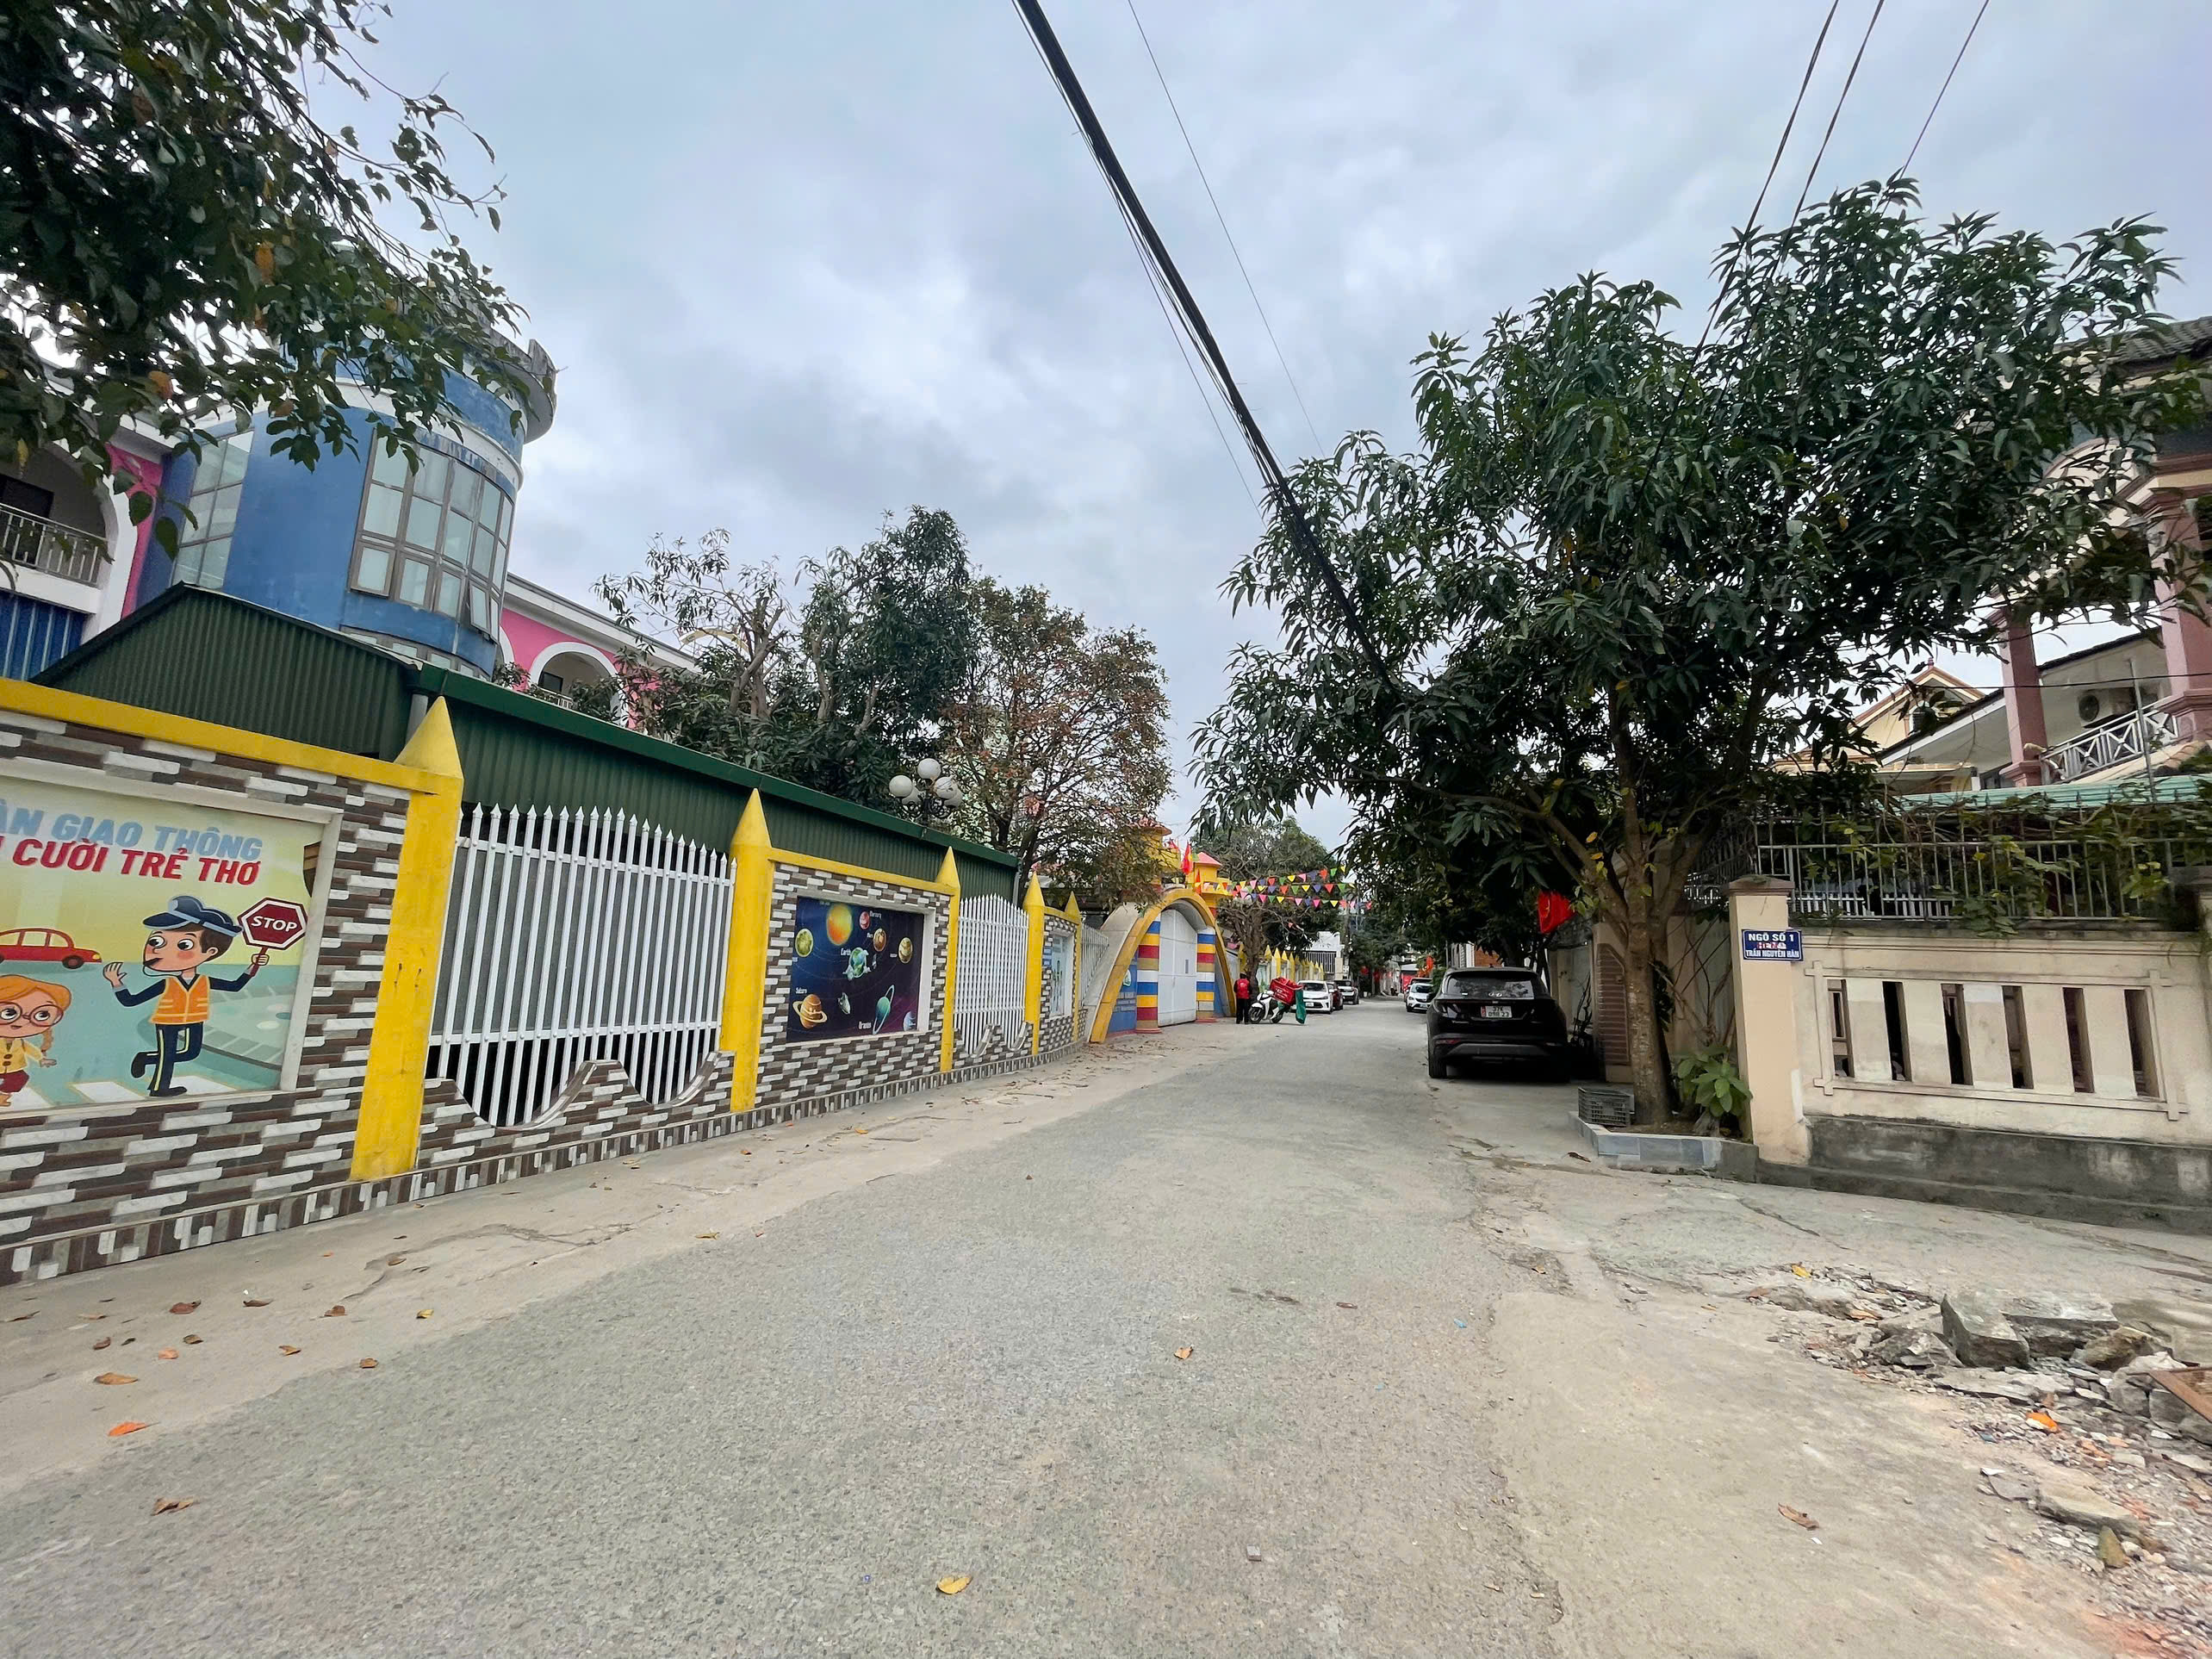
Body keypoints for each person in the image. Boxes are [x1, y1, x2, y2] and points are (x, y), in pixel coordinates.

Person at [103, 897, 267, 1097]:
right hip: (168, 1022)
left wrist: (253, 968)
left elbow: (234, 986)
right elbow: (131, 1001)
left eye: (184, 945)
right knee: (167, 1056)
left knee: (190, 1053)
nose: (158, 950)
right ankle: (159, 1088)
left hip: (195, 1019)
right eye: (155, 941)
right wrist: (116, 983)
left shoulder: (205, 980)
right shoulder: (167, 983)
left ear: (210, 952)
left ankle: (146, 1058)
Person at [0, 975, 68, 1110]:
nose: (22, 1022)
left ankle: (3, 1096)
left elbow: (30, 1049)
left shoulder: (19, 1041)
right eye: (9, 1012)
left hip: (13, 1067)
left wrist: (41, 1059)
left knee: (20, 1078)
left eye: (42, 1015)